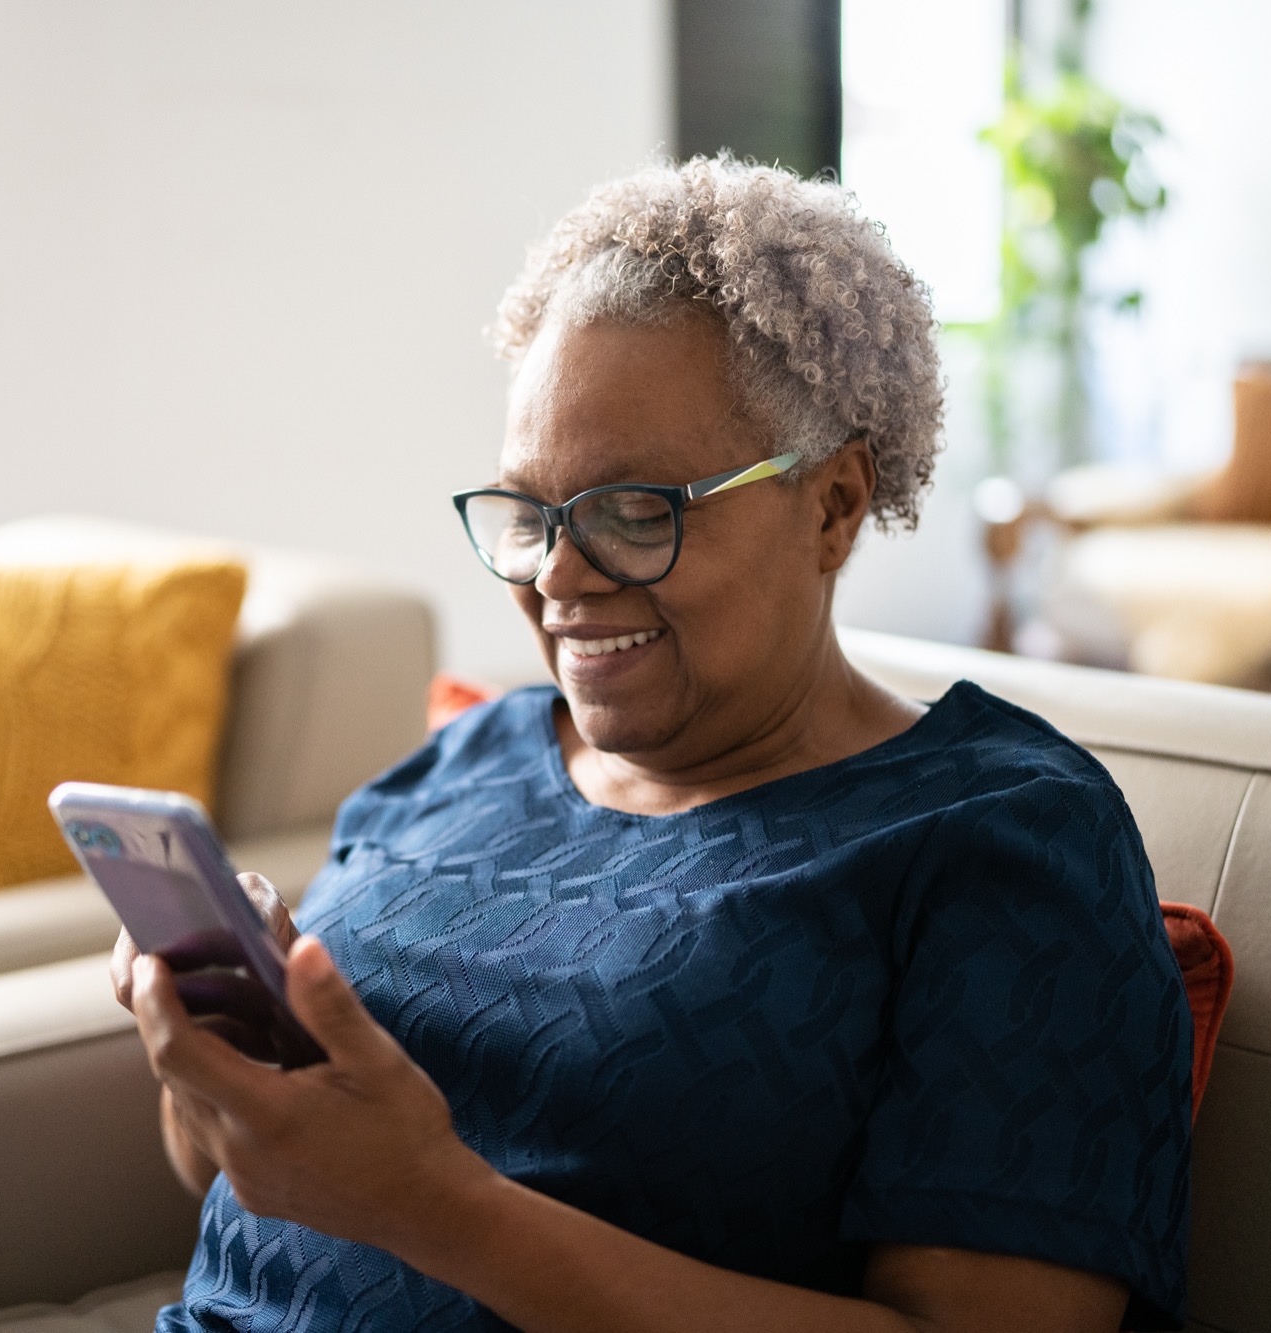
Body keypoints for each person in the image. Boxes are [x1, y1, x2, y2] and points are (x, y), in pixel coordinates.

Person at [114, 156, 1193, 1332]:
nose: (558, 576)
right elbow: (238, 1186)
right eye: (530, 513)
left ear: (830, 504)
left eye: (638, 512)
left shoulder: (996, 838)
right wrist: (223, 1054)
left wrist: (435, 1205)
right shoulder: (453, 769)